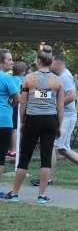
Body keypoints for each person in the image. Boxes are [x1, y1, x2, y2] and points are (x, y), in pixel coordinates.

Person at [6, 45, 64, 204]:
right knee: (46, 158)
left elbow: (23, 104)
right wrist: (59, 125)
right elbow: (60, 106)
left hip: (32, 119)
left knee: (24, 157)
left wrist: (23, 121)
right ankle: (41, 195)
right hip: (50, 120)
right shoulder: (57, 81)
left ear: (38, 61)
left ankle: (15, 193)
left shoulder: (29, 79)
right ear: (51, 61)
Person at [44, 54, 78, 186]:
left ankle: (47, 178)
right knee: (62, 148)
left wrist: (56, 106)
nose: (49, 64)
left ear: (58, 62)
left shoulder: (65, 76)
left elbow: (71, 96)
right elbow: (52, 95)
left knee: (53, 145)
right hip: (64, 116)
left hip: (67, 116)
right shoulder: (60, 76)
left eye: (51, 62)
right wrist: (35, 94)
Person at [0, 49, 20, 198]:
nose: (12, 62)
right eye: (9, 59)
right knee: (0, 158)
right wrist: (9, 106)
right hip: (4, 120)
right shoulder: (8, 79)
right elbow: (18, 98)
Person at [9, 61, 27, 159]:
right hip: (22, 105)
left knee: (14, 128)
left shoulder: (11, 79)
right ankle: (15, 150)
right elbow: (27, 92)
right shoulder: (25, 80)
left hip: (14, 105)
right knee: (17, 128)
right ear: (24, 71)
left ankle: (13, 150)